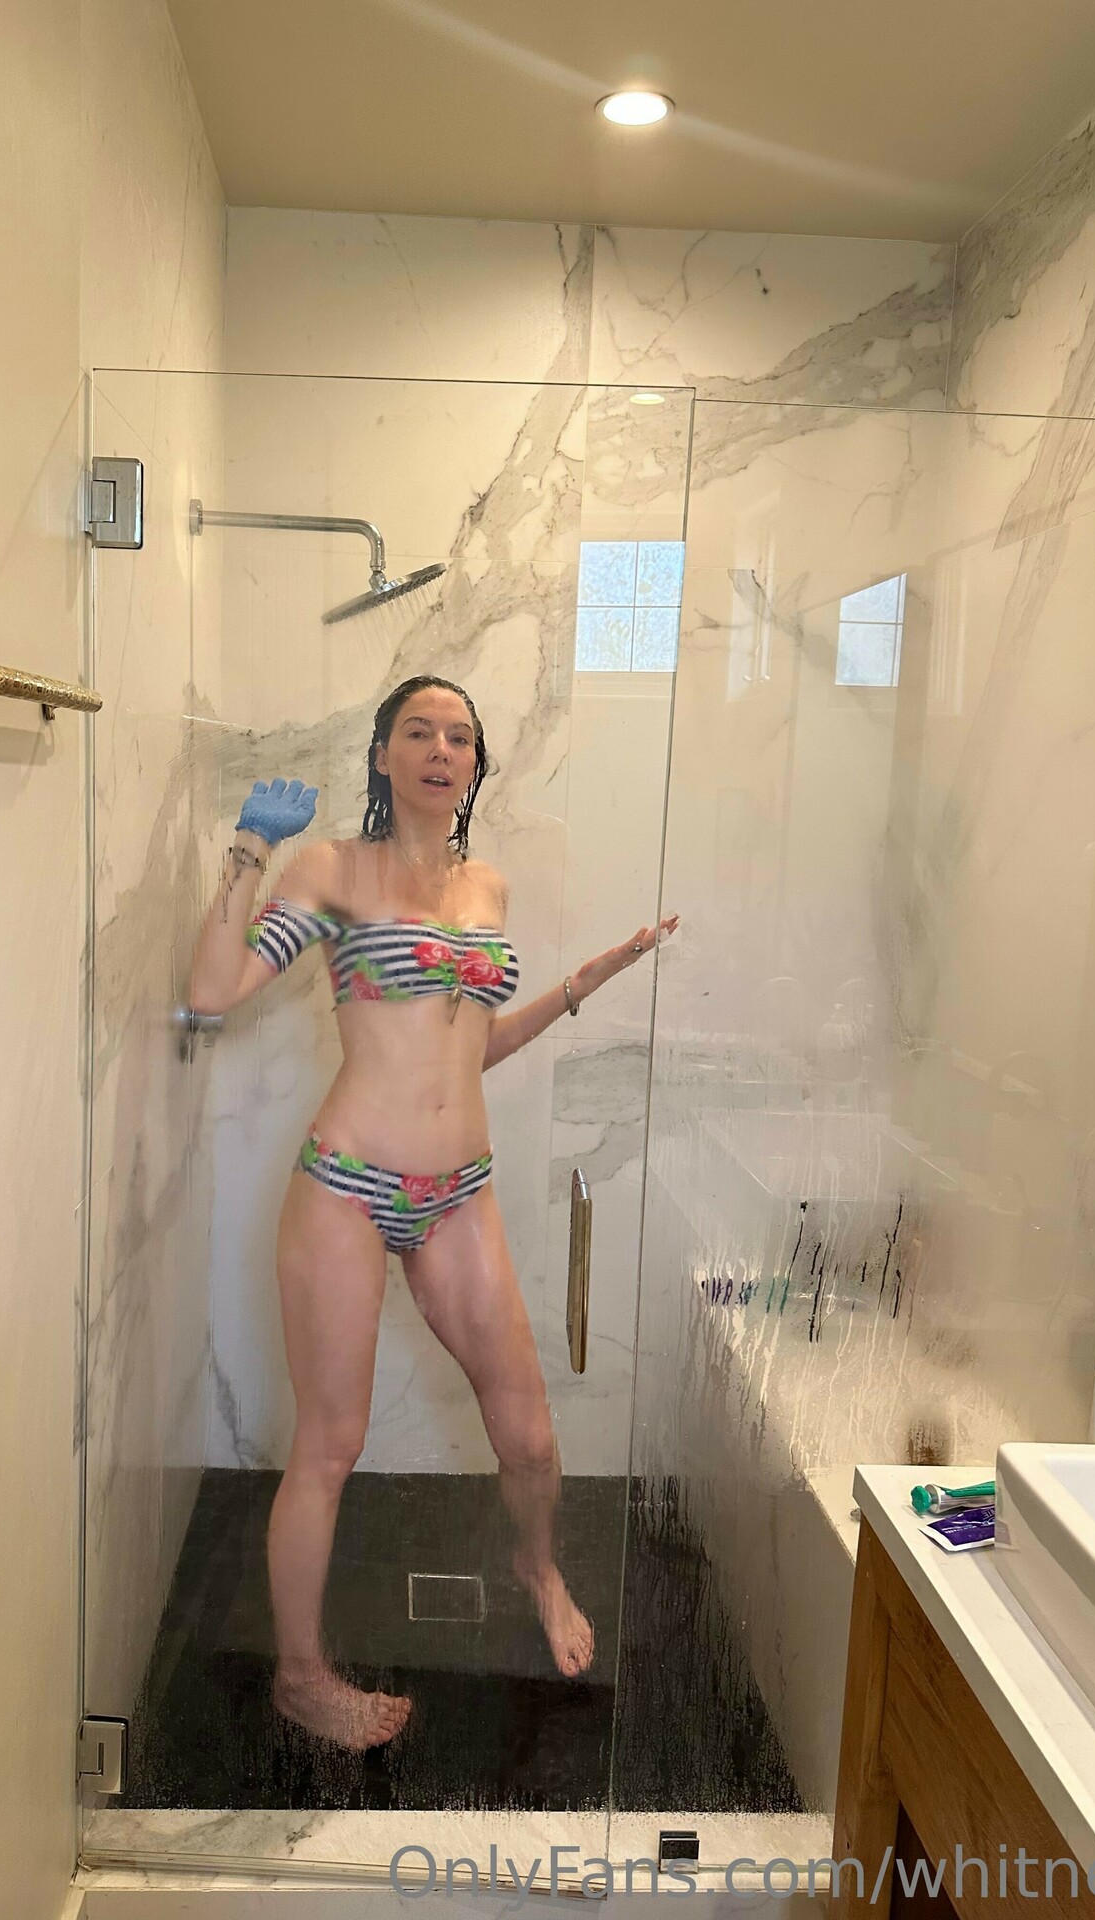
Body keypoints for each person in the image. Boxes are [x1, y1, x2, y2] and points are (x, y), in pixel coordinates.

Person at [189, 674, 677, 1751]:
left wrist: (579, 987)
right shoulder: (332, 871)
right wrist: (248, 852)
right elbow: (212, 992)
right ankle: (300, 1676)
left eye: (460, 736)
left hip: (459, 1192)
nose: (441, 750)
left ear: (475, 763)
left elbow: (467, 1047)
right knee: (330, 1444)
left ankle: (536, 1567)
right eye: (419, 732)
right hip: (349, 1185)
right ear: (382, 753)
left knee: (531, 1437)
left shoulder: (486, 886)